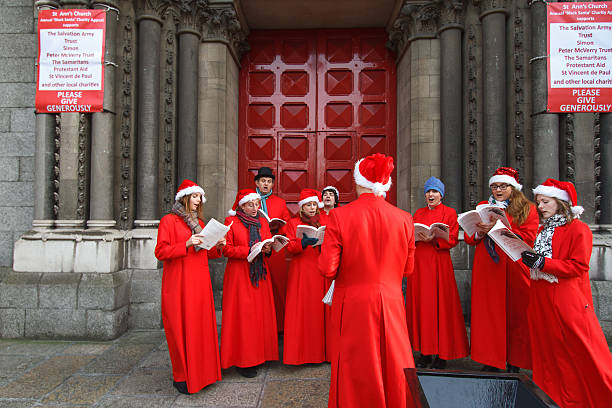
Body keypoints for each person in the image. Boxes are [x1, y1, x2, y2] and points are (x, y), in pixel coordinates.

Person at [319, 153, 416, 408]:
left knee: (355, 362)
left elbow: (328, 269)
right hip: (392, 299)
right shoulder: (405, 218)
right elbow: (409, 269)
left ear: (358, 181)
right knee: (393, 358)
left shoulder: (339, 216)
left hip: (353, 301)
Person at [521, 179, 612, 407]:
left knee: (580, 349)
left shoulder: (579, 229)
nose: (540, 206)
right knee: (547, 351)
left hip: (565, 297)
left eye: (545, 201)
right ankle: (552, 397)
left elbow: (578, 266)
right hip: (540, 296)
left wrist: (543, 263)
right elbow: (539, 264)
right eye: (539, 201)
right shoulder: (542, 230)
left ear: (560, 203)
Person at [464, 167, 539, 372]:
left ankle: (515, 361)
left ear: (513, 188)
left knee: (517, 315)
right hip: (488, 267)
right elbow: (470, 238)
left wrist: (498, 228)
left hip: (514, 266)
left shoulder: (527, 208)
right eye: (494, 186)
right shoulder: (482, 207)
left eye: (502, 186)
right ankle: (491, 359)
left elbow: (529, 238)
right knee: (488, 315)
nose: (498, 190)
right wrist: (479, 232)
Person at [154, 179, 225, 394]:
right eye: (195, 197)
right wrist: (186, 243)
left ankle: (204, 374)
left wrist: (218, 245)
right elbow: (161, 252)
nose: (198, 201)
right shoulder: (169, 221)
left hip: (200, 284)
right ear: (185, 198)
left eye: (199, 198)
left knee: (200, 328)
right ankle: (183, 376)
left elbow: (206, 251)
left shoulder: (200, 224)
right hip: (179, 284)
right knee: (180, 328)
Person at [406, 177, 469, 370]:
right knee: (423, 307)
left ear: (441, 194)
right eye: (428, 192)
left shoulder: (449, 213)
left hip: (439, 264)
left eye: (434, 191)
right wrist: (416, 237)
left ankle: (442, 354)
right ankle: (425, 352)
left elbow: (452, 238)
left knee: (440, 308)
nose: (431, 195)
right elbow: (410, 235)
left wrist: (435, 238)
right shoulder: (418, 212)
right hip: (420, 265)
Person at [221, 189, 278, 378]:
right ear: (241, 206)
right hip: (240, 275)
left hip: (260, 273)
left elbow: (267, 245)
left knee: (260, 314)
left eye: (257, 204)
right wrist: (249, 250)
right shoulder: (231, 222)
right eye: (250, 204)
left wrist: (268, 248)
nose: (255, 208)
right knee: (243, 317)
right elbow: (227, 250)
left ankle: (262, 354)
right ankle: (244, 360)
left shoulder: (263, 222)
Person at [283, 189, 328, 365]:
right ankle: (302, 354)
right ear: (302, 208)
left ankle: (322, 353)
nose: (311, 208)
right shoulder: (293, 223)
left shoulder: (325, 220)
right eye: (308, 205)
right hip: (301, 271)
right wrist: (303, 242)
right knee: (303, 311)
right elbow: (290, 247)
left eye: (314, 205)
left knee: (319, 312)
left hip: (319, 269)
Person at [255, 167, 291, 333]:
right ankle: (260, 324)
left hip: (275, 250)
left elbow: (287, 225)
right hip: (255, 248)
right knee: (257, 287)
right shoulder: (248, 200)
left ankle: (279, 326)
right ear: (257, 182)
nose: (266, 184)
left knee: (278, 286)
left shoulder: (280, 202)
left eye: (269, 182)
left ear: (272, 184)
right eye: (263, 181)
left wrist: (277, 228)